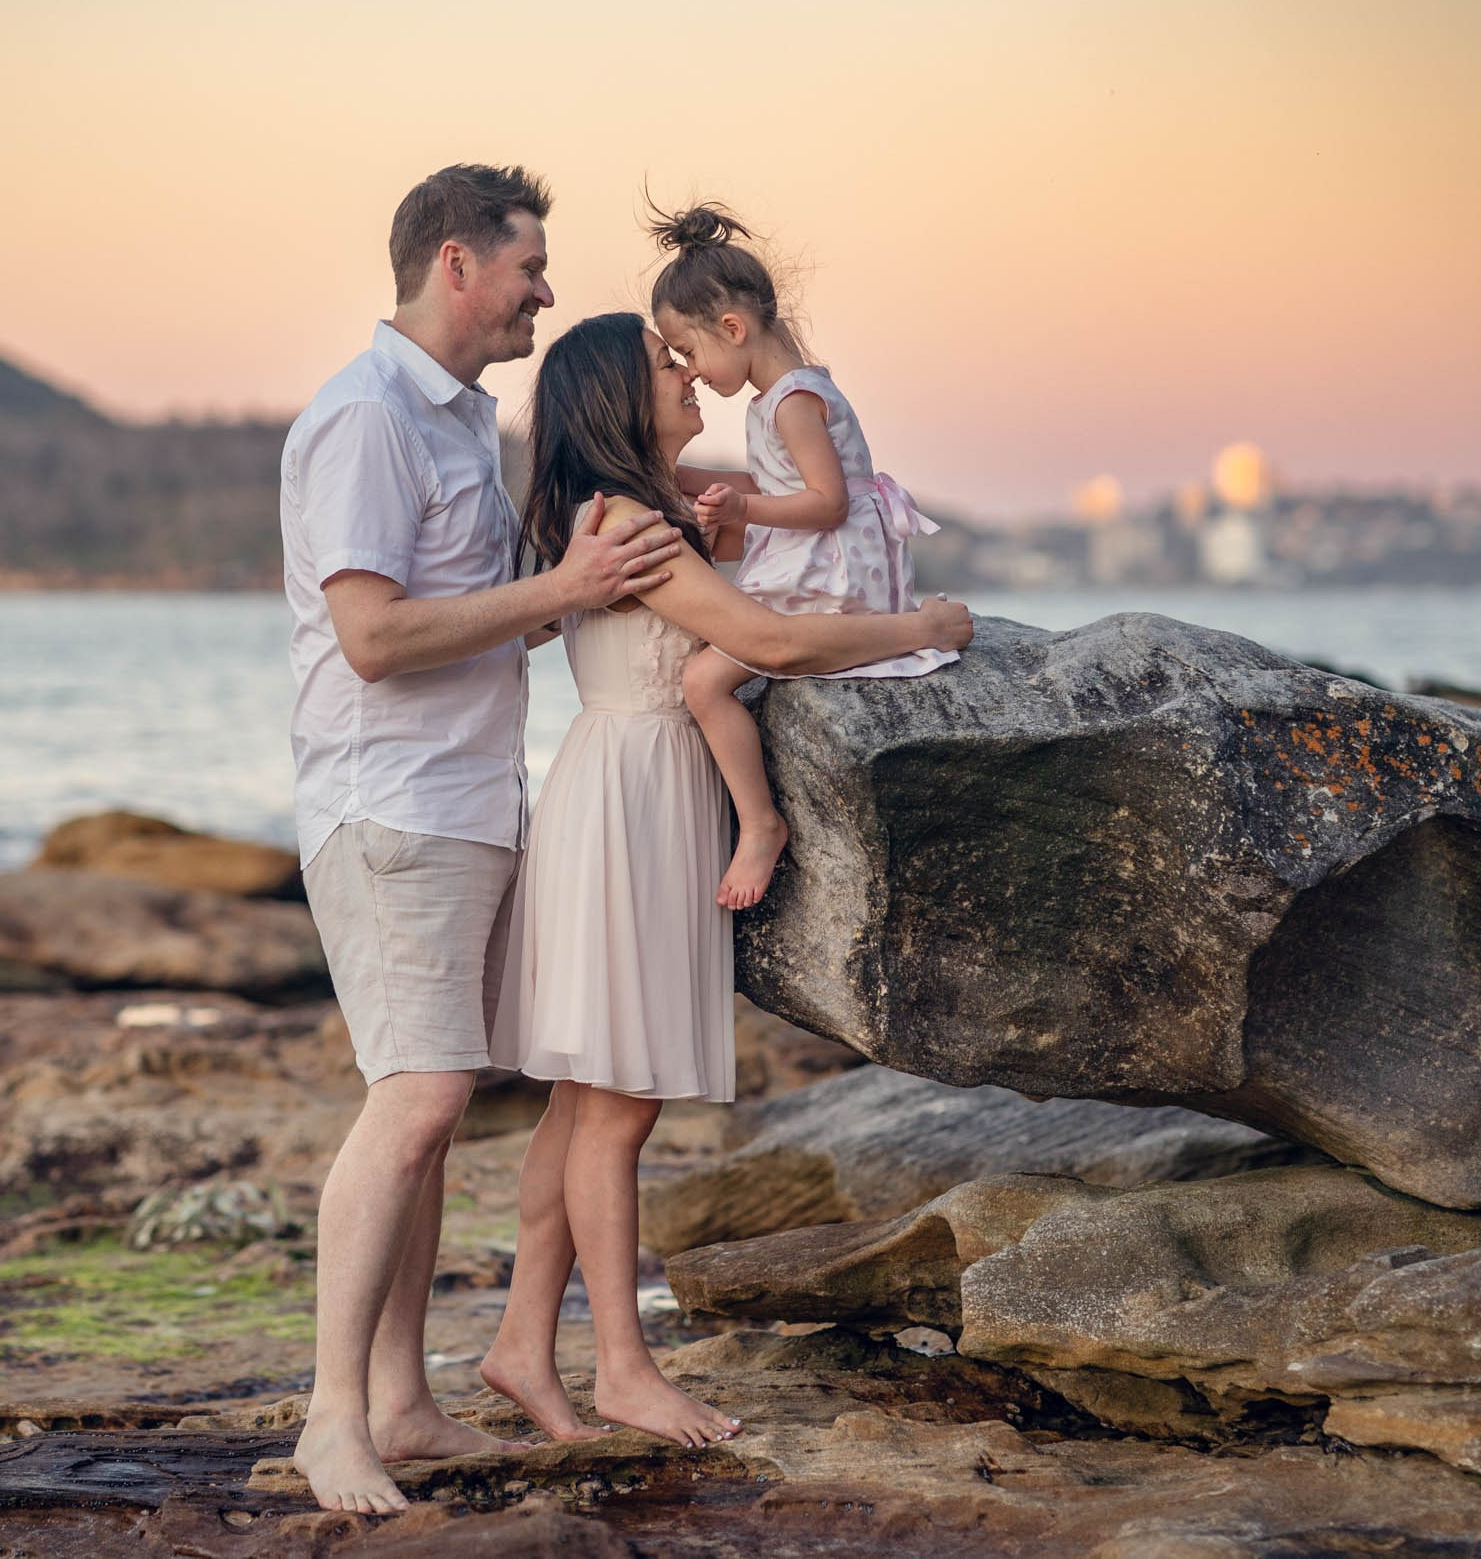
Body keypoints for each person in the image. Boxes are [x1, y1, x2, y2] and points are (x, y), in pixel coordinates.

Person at [478, 312, 972, 1447]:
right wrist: (923, 625)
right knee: (617, 1103)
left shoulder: (614, 507)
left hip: (625, 785)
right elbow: (775, 643)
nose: (690, 372)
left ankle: (517, 1343)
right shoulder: (632, 524)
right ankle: (620, 1367)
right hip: (633, 798)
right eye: (665, 363)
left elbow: (791, 554)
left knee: (582, 1101)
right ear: (617, 394)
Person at [279, 167, 688, 1514]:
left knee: (432, 1107)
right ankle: (332, 1417)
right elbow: (375, 636)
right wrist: (564, 586)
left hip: (468, 802)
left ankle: (401, 1398)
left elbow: (484, 611)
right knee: (420, 1098)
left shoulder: (459, 424)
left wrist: (604, 579)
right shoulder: (366, 416)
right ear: (458, 263)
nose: (547, 292)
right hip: (390, 802)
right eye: (530, 266)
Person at [648, 203, 961, 910]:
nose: (691, 371)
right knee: (711, 653)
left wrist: (741, 509)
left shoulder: (792, 400)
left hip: (832, 574)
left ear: (732, 329)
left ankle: (761, 823)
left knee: (703, 681)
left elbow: (827, 503)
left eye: (689, 351)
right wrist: (701, 486)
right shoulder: (782, 395)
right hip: (817, 563)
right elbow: (784, 485)